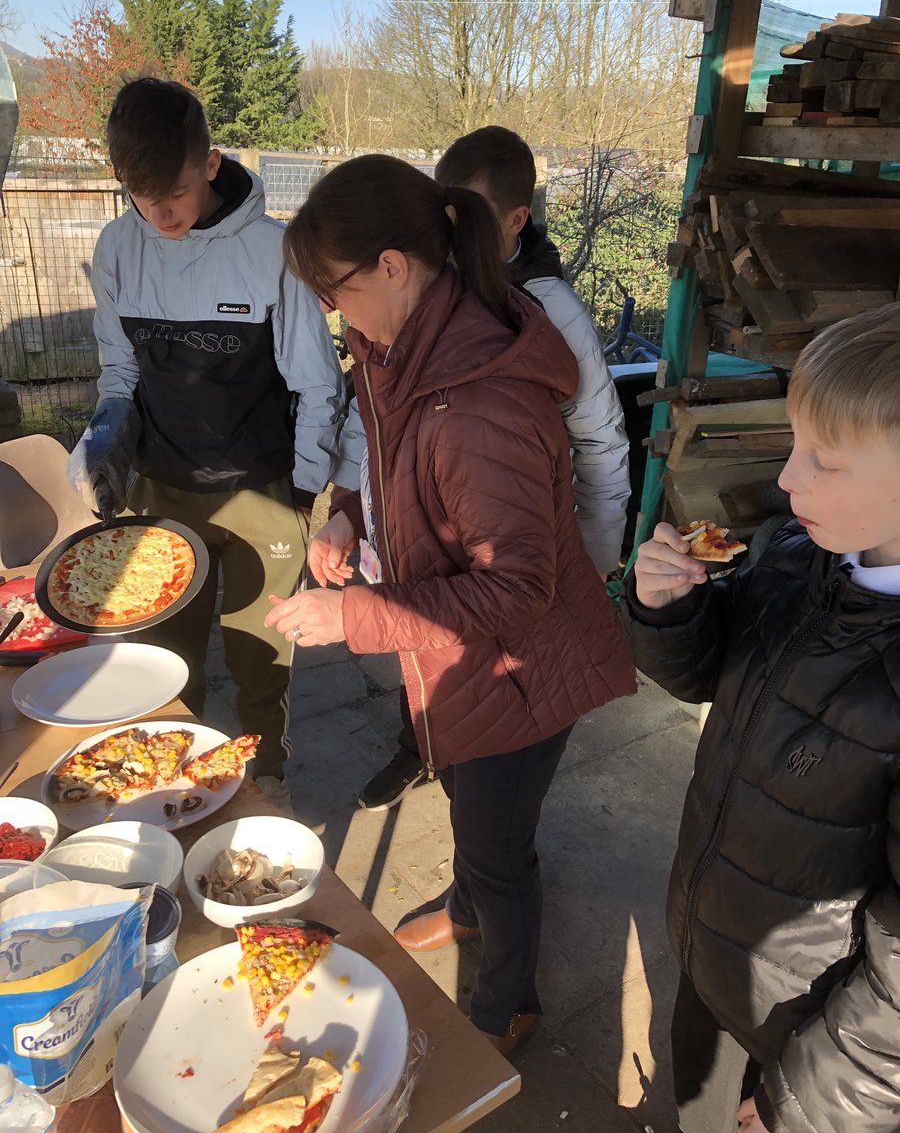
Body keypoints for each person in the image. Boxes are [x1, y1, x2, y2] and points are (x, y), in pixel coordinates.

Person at [265, 153, 636, 1054]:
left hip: (517, 667)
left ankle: (506, 1001)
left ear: (394, 266)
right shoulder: (404, 343)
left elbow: (514, 588)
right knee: (469, 797)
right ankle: (466, 905)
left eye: (336, 290)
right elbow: (385, 455)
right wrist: (350, 514)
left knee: (501, 844)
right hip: (459, 654)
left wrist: (350, 617)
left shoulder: (477, 398)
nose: (332, 312)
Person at [621, 306, 900, 1133]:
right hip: (717, 955)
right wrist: (667, 612)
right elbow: (710, 673)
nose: (787, 480)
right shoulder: (790, 552)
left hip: (818, 1036)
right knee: (694, 1103)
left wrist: (808, 1102)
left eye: (826, 461)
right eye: (794, 445)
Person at [67, 78, 348, 785]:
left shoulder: (272, 251)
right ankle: (165, 786)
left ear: (211, 164)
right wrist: (104, 440)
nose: (160, 214)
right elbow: (119, 374)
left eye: (176, 196)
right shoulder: (116, 251)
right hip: (163, 489)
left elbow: (318, 384)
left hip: (262, 491)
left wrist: (306, 488)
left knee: (261, 658)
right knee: (166, 661)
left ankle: (266, 783)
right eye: (142, 198)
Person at [358, 125, 630, 811]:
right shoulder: (424, 291)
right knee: (422, 650)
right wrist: (350, 510)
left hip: (513, 534)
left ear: (515, 220)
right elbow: (378, 419)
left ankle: (491, 824)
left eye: (471, 221)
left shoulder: (549, 309)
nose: (454, 239)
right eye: (445, 220)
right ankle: (417, 747)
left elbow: (599, 440)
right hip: (428, 534)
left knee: (498, 687)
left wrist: (595, 557)